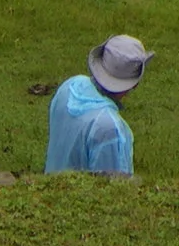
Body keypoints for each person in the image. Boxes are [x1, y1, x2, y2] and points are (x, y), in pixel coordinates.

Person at [45, 34, 149, 176]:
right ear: (135, 84)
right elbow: (114, 189)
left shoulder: (70, 86)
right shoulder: (110, 130)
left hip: (49, 190)